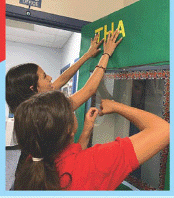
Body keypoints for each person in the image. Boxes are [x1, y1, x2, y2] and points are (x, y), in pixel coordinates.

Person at [6, 29, 122, 175]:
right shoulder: (46, 112)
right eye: (43, 76)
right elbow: (89, 90)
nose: (49, 77)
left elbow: (60, 81)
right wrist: (106, 54)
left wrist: (87, 55)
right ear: (34, 88)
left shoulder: (27, 109)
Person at [13, 91, 170, 190]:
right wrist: (117, 106)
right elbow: (164, 131)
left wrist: (86, 130)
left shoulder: (35, 158)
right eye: (71, 111)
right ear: (68, 128)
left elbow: (71, 161)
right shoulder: (97, 162)